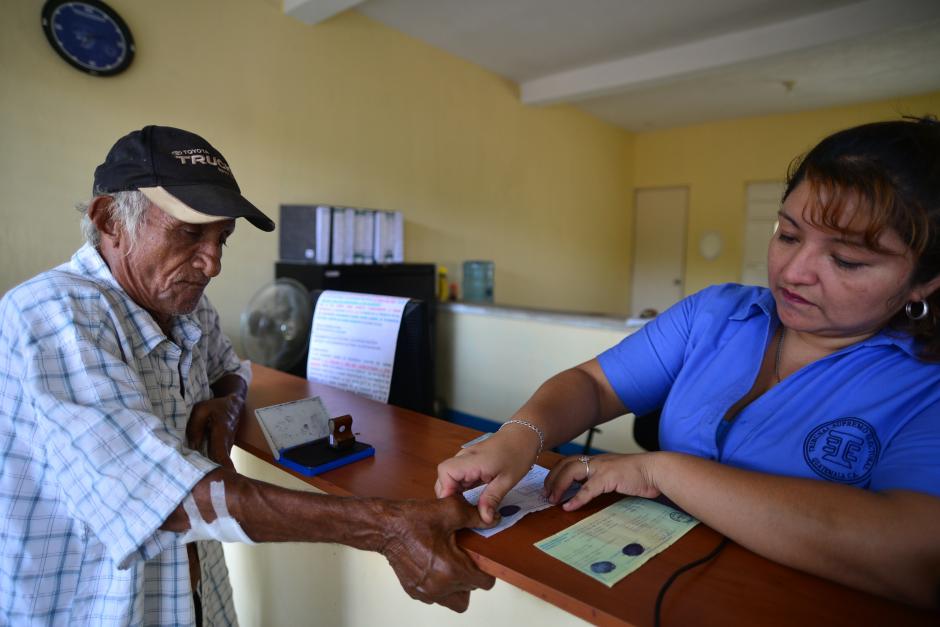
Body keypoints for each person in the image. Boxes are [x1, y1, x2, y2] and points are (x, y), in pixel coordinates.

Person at [436, 117, 940, 609]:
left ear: (924, 281)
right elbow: (594, 384)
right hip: (649, 586)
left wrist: (663, 473)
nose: (793, 271)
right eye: (787, 235)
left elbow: (916, 555)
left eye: (847, 260)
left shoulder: (926, 383)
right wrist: (521, 434)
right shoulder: (718, 312)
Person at [0, 125, 493, 626]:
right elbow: (162, 499)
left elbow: (230, 369)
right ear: (110, 221)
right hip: (92, 608)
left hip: (195, 599)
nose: (212, 264)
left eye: (222, 239)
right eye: (191, 233)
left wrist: (229, 403)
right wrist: (386, 526)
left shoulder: (185, 304)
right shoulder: (52, 311)